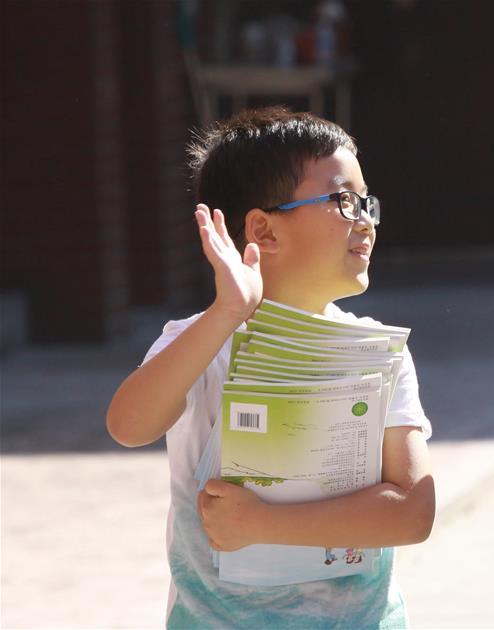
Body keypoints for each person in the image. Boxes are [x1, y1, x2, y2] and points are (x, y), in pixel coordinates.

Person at [107, 107, 435, 629]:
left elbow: (414, 510)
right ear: (263, 229)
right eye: (344, 201)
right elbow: (128, 426)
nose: (366, 220)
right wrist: (227, 313)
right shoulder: (204, 343)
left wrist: (264, 523)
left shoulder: (379, 350)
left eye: (367, 203)